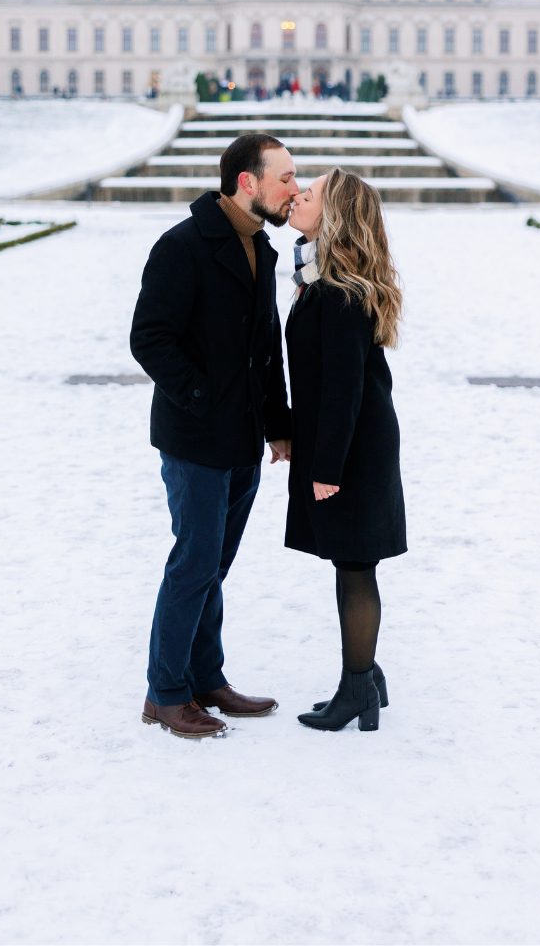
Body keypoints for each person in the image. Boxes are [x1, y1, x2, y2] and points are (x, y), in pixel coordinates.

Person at [130, 134, 300, 739]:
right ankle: (165, 693)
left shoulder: (262, 248)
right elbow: (149, 339)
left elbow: (265, 347)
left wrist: (277, 423)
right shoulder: (182, 246)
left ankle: (206, 677)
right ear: (247, 182)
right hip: (196, 438)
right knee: (193, 563)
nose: (294, 189)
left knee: (213, 567)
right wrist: (203, 400)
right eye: (284, 177)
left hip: (245, 438)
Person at [286, 167, 406, 732]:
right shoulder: (324, 278)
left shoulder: (339, 291)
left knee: (356, 565)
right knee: (350, 561)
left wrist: (327, 465)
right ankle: (365, 673)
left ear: (334, 217)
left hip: (352, 448)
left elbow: (344, 388)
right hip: (348, 440)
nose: (297, 196)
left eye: (308, 195)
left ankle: (357, 686)